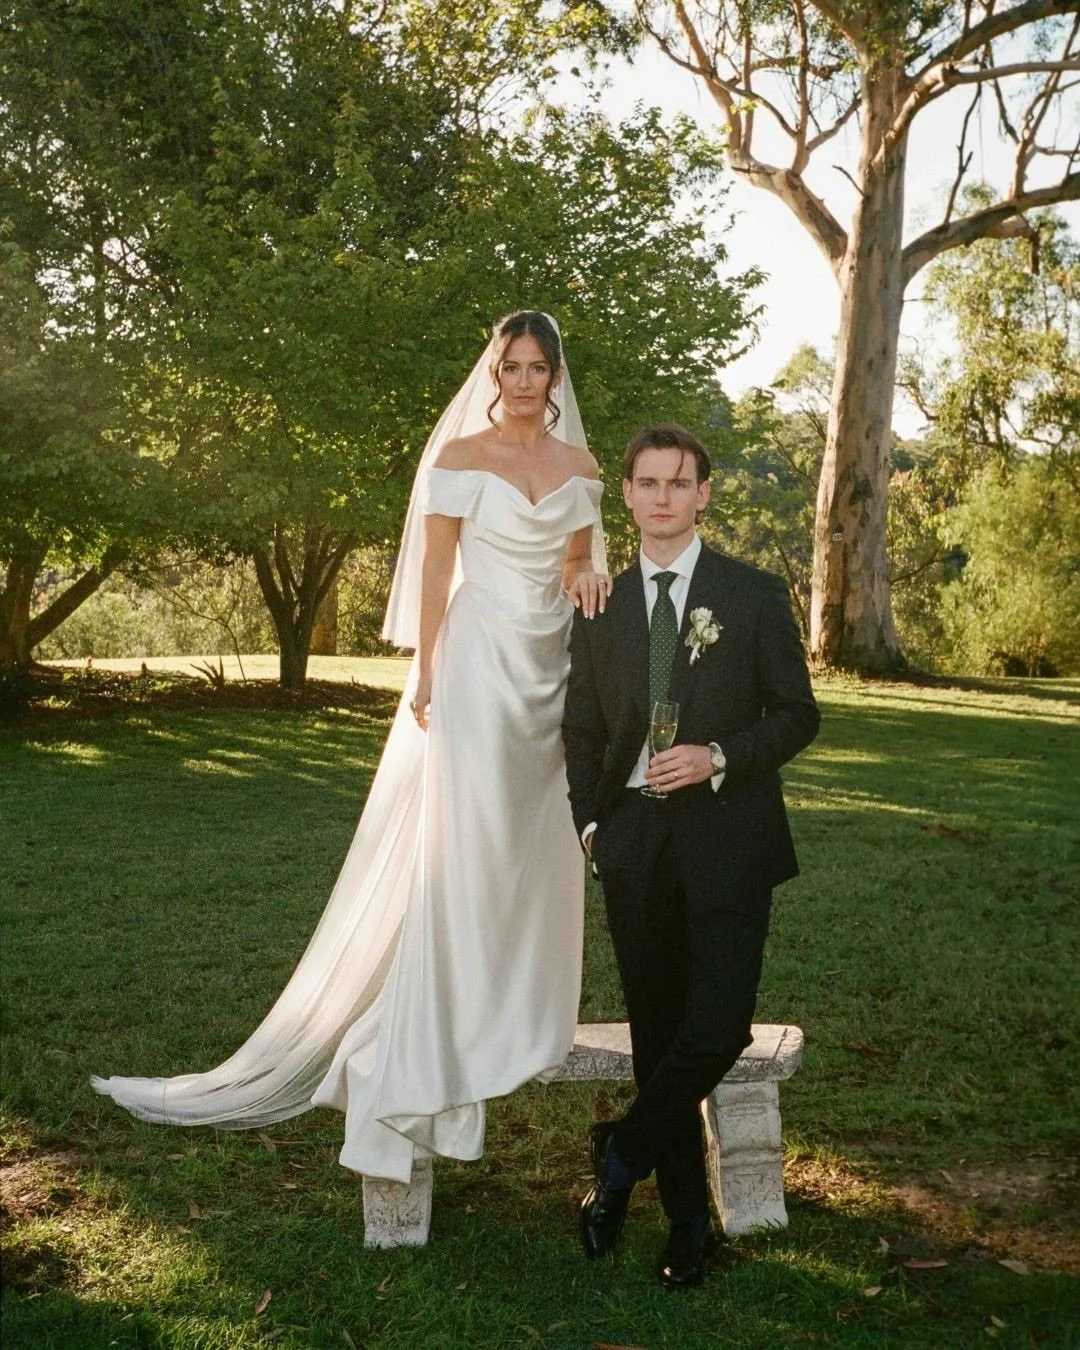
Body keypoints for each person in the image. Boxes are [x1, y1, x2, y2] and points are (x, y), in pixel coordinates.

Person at [93, 310, 609, 1189]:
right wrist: (428, 673)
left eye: (538, 368)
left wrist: (586, 573)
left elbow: (571, 563)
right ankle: (449, 1019)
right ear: (495, 374)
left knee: (534, 839)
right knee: (469, 841)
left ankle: (520, 1004)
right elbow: (437, 576)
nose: (524, 382)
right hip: (481, 664)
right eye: (511, 367)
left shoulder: (582, 467)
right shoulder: (458, 460)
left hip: (550, 670)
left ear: (557, 377)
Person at [561, 422, 819, 1289]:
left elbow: (796, 714)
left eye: (680, 482)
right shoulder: (602, 605)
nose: (664, 496)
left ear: (704, 493)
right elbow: (583, 728)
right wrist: (591, 829)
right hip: (632, 840)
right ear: (627, 495)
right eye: (648, 482)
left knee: (717, 1023)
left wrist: (717, 757)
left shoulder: (749, 594)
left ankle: (621, 1150)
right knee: (659, 1034)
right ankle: (686, 1225)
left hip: (730, 837)